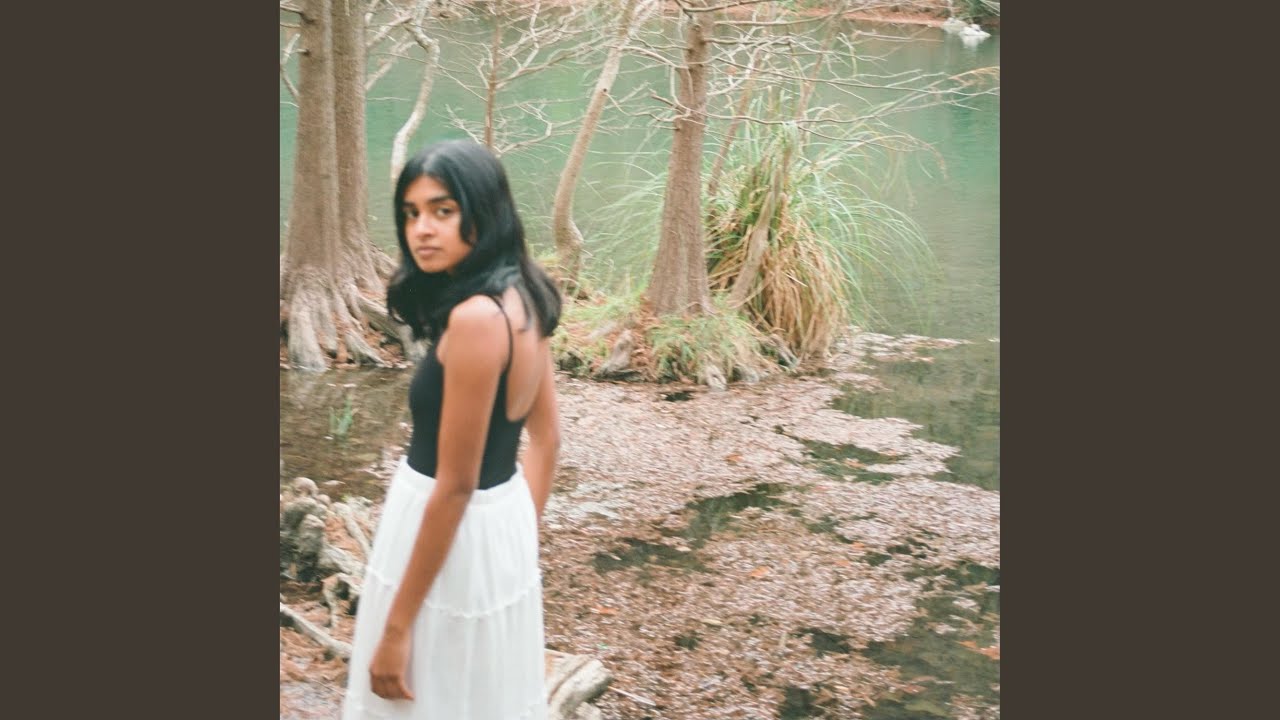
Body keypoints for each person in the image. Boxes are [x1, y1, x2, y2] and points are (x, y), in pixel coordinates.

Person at [341, 139, 563, 720]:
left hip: (444, 526)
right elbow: (546, 440)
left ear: (483, 211)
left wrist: (396, 628)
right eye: (411, 213)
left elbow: (456, 484)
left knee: (424, 697)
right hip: (496, 524)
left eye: (443, 211)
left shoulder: (476, 319)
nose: (422, 229)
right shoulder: (524, 293)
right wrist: (515, 536)